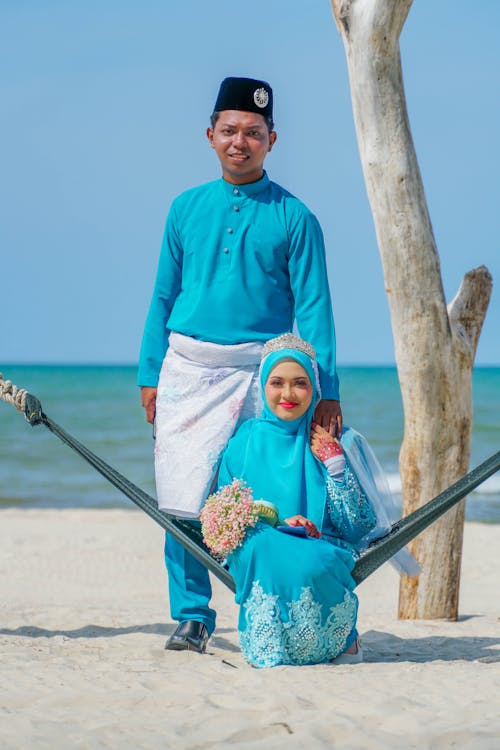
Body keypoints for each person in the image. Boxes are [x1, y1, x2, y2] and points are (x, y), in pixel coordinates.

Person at [138, 77, 343, 653]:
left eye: (253, 133)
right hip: (186, 368)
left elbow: (315, 308)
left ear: (272, 140)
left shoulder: (296, 217)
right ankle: (194, 614)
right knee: (181, 498)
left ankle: (268, 602)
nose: (240, 142)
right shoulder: (184, 208)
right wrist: (149, 372)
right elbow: (161, 296)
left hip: (261, 372)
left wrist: (326, 390)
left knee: (265, 496)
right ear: (210, 136)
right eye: (229, 131)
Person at [214, 333, 379, 667]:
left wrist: (335, 466)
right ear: (263, 385)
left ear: (314, 390)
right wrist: (276, 523)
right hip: (258, 543)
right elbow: (223, 521)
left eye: (299, 383)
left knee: (311, 560)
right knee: (264, 547)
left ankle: (338, 640)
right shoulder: (242, 443)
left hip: (320, 544)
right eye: (277, 382)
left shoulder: (331, 441)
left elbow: (359, 525)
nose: (287, 394)